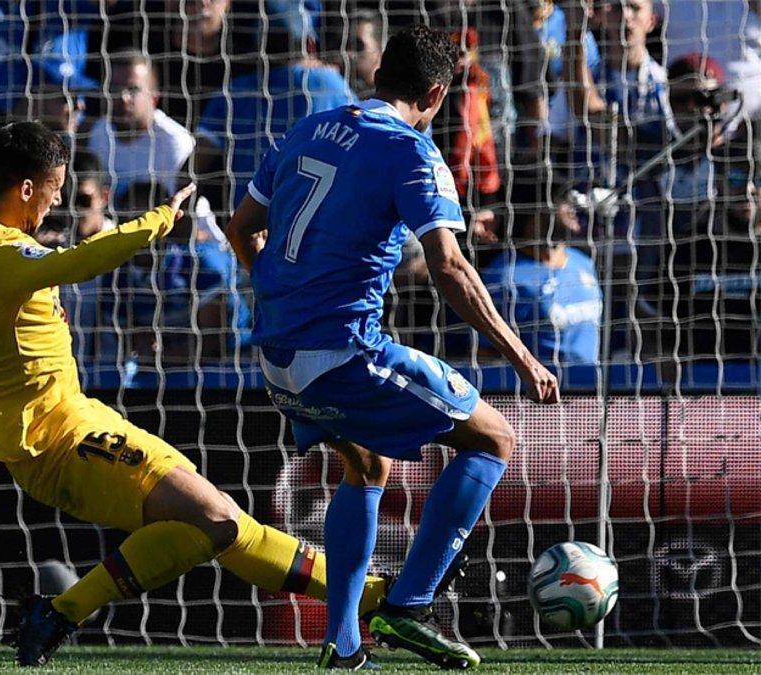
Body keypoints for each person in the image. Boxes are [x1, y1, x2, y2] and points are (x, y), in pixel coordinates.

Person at [0, 121, 391, 668]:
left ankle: (376, 598)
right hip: (55, 440)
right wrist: (158, 220)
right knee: (214, 521)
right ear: (27, 188)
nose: (53, 205)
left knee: (220, 522)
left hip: (75, 422)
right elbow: (75, 263)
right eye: (54, 190)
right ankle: (62, 612)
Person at [226, 25, 559, 669]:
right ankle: (410, 606)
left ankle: (345, 645)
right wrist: (522, 356)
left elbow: (242, 229)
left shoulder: (308, 129)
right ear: (437, 93)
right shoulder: (410, 149)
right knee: (495, 439)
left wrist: (277, 291)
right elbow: (452, 270)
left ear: (379, 76)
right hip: (345, 354)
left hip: (276, 356)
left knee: (367, 466)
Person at [196, 0, 356, 209]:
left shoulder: (234, 92)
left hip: (248, 227)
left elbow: (193, 166)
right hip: (312, 222)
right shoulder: (328, 84)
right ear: (309, 43)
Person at [481, 176, 603, 366]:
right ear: (537, 210)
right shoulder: (504, 277)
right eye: (561, 200)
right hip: (543, 390)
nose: (572, 206)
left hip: (590, 391)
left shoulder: (583, 262)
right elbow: (487, 353)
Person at [87, 51, 196, 204]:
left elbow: (182, 209)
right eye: (114, 89)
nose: (123, 98)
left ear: (154, 98)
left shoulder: (174, 142)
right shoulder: (99, 132)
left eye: (133, 90)